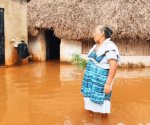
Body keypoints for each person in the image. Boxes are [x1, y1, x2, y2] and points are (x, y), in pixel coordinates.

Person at [81, 25, 120, 115]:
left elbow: (113, 65)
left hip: (101, 82)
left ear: (102, 34)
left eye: (95, 32)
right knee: (90, 100)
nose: (93, 34)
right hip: (91, 81)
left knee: (103, 104)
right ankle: (90, 118)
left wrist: (108, 84)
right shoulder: (96, 46)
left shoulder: (109, 46)